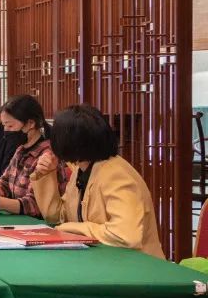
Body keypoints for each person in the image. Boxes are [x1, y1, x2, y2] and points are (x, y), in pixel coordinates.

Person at [31, 104, 163, 258]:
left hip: (137, 264)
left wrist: (76, 228)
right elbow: (57, 217)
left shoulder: (116, 174)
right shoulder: (82, 169)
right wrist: (46, 174)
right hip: (104, 259)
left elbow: (126, 235)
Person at [0, 95, 69, 217]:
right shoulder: (21, 149)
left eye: (10, 126)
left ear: (30, 123)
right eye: (4, 126)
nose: (6, 131)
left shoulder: (47, 155)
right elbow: (4, 183)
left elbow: (34, 205)